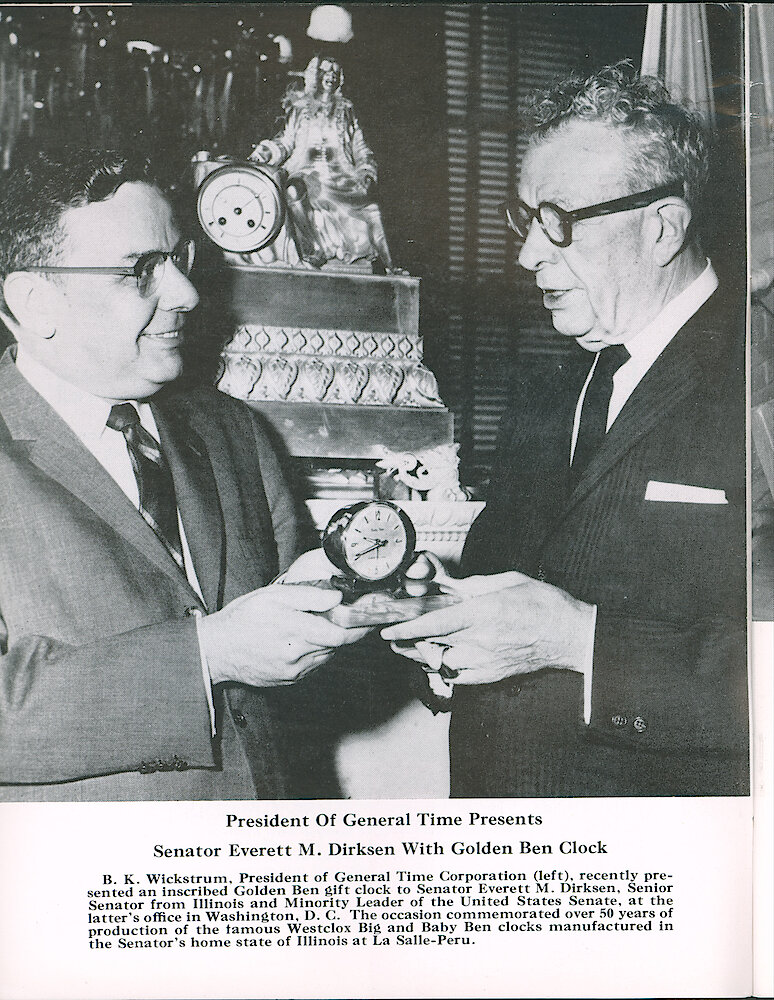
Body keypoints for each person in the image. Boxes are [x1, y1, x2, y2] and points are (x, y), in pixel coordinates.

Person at [383, 63, 748, 797]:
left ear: (663, 228)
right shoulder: (550, 388)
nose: (528, 255)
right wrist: (447, 620)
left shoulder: (755, 377)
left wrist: (576, 640)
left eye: (561, 222)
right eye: (527, 219)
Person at [0, 147, 367, 801]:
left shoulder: (234, 432)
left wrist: (355, 594)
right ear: (35, 300)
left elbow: (286, 676)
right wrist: (208, 653)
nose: (187, 294)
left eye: (179, 259)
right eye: (140, 271)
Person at [250, 54, 393, 270]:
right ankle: (312, 249)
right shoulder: (299, 108)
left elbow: (359, 145)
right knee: (292, 192)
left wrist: (365, 170)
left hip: (341, 175)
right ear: (315, 75)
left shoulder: (347, 109)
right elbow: (285, 141)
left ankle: (381, 263)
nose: (330, 76)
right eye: (326, 71)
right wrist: (267, 152)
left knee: (370, 206)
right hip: (305, 173)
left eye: (335, 72)